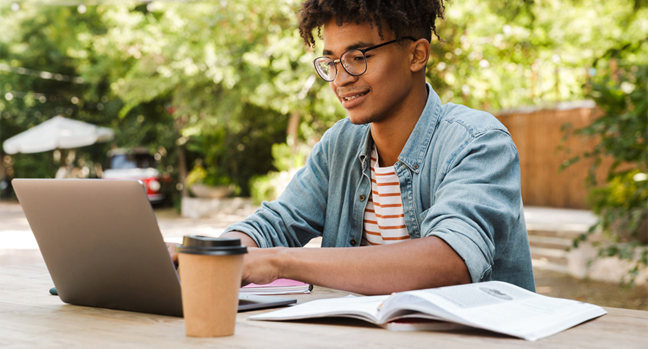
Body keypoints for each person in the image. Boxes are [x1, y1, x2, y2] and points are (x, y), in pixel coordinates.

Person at [169, 0, 535, 295]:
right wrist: (214, 254)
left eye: (359, 57)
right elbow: (277, 224)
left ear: (416, 55)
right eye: (331, 61)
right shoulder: (339, 145)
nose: (341, 78)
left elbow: (448, 261)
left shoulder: (477, 141)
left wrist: (278, 261)